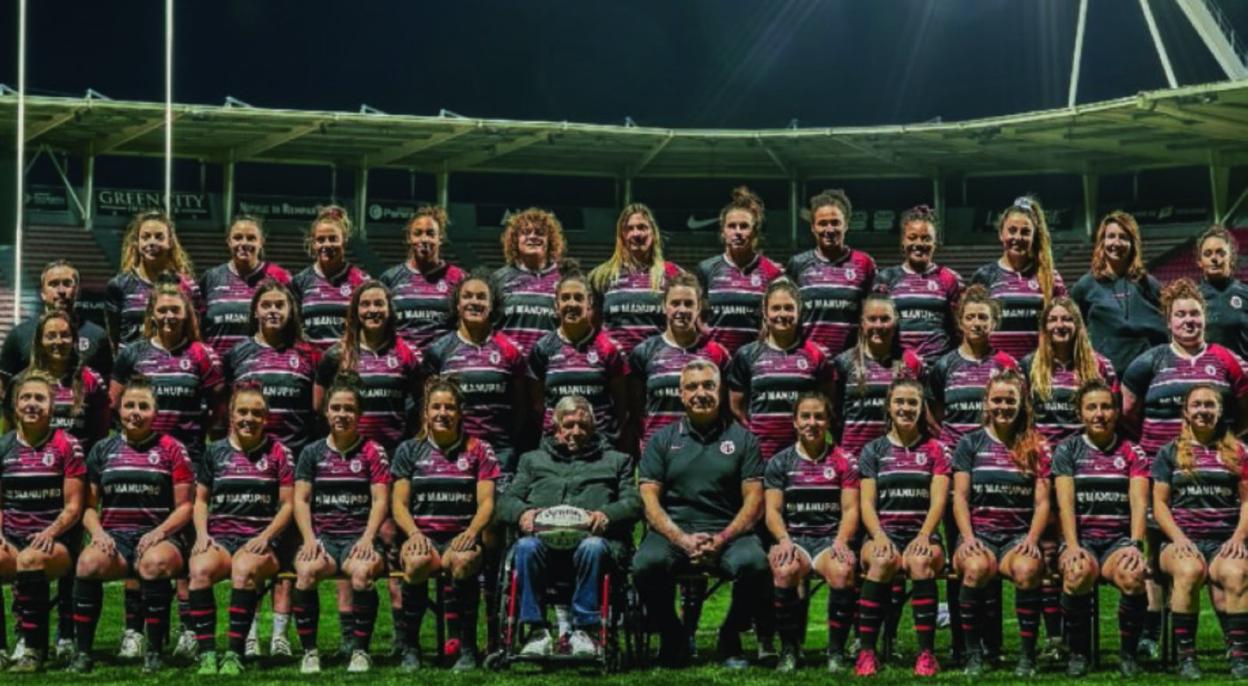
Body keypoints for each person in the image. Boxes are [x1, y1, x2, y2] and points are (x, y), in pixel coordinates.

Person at [633, 359, 768, 669]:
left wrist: (722, 538)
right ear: (681, 394)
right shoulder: (661, 440)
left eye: (708, 385)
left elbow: (754, 501)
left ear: (720, 391)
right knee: (645, 565)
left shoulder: (744, 439)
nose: (700, 393)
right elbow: (649, 501)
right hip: (674, 530)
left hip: (728, 531)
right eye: (692, 387)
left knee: (756, 565)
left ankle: (730, 635)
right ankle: (673, 635)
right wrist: (681, 539)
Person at [500, 395, 640, 659]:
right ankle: (536, 631)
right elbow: (505, 502)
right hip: (544, 547)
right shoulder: (532, 460)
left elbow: (633, 503)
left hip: (594, 547)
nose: (576, 431)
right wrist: (522, 513)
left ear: (594, 428)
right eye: (569, 425)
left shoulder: (617, 461)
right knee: (525, 546)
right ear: (556, 428)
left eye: (583, 425)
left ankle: (584, 630)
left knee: (592, 546)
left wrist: (607, 515)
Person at [70, 376, 194, 674]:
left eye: (143, 406)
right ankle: (82, 652)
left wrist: (159, 532)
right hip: (116, 538)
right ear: (119, 410)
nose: (135, 412)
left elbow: (185, 507)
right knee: (87, 563)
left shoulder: (172, 449)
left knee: (154, 563)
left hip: (160, 537)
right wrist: (98, 533)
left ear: (155, 412)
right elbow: (89, 507)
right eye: (129, 406)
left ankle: (154, 650)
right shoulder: (102, 449)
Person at [391, 376, 500, 671]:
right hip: (422, 535)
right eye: (436, 407)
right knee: (415, 563)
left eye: (449, 407)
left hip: (460, 536)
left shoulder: (479, 449)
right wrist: (413, 534)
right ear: (425, 413)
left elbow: (487, 503)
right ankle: (410, 647)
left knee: (464, 561)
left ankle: (467, 647)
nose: (442, 413)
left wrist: (472, 532)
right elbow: (398, 504)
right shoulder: (408, 450)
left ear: (460, 412)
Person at [185, 382, 294, 675]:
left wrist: (266, 537)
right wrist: (202, 534)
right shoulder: (214, 452)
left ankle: (234, 653)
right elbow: (201, 500)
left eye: (256, 413)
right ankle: (208, 654)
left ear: (266, 418)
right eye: (242, 412)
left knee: (244, 569)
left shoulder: (279, 452)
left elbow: (288, 505)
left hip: (260, 541)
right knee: (199, 570)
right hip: (220, 538)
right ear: (231, 415)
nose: (249, 418)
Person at [952, 369, 1052, 677]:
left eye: (1010, 400)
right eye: (997, 400)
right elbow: (960, 498)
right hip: (979, 534)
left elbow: (1042, 502)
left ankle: (1027, 656)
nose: (1003, 406)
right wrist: (968, 538)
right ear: (986, 402)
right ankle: (973, 653)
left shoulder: (1036, 445)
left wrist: (1031, 539)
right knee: (976, 568)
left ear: (1022, 403)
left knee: (1028, 569)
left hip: (1016, 537)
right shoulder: (970, 443)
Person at [291, 375, 390, 674]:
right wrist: (309, 539)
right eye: (336, 408)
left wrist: (368, 538)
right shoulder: (311, 452)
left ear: (359, 414)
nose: (342, 414)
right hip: (324, 538)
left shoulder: (373, 451)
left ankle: (360, 651)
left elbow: (380, 500)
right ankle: (310, 653)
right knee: (305, 572)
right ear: (326, 412)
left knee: (361, 574)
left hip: (358, 537)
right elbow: (301, 500)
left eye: (349, 409)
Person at [1051, 379, 1150, 677]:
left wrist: (1135, 544)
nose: (1099, 414)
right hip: (1081, 540)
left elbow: (1139, 503)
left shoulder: (1132, 451)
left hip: (1116, 542)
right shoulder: (1067, 450)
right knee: (1077, 572)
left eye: (1106, 407)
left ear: (1116, 412)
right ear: (1080, 413)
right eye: (1091, 407)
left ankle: (1128, 655)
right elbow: (1065, 505)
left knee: (1133, 576)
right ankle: (1078, 653)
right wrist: (1072, 546)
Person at [854, 378, 951, 677]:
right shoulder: (873, 450)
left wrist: (924, 535)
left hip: (922, 534)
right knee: (881, 560)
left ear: (922, 408)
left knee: (921, 562)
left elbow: (939, 500)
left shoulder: (936, 450)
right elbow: (866, 503)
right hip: (884, 533)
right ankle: (866, 652)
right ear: (888, 406)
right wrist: (878, 535)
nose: (906, 408)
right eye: (899, 402)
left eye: (912, 402)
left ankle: (926, 654)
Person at [1153, 384, 1248, 680]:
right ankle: (1187, 658)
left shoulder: (1239, 452)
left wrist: (1238, 538)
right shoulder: (1168, 452)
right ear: (1186, 411)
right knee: (1189, 571)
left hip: (1223, 541)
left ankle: (1239, 657)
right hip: (1180, 541)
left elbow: (1247, 501)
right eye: (1196, 405)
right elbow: (1159, 504)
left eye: (1209, 405)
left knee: (1237, 573)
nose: (1203, 410)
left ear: (1220, 411)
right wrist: (1179, 538)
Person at [764, 392, 859, 673]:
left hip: (829, 539)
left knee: (842, 571)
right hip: (796, 539)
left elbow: (851, 510)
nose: (812, 422)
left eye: (819, 417)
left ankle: (836, 652)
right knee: (784, 571)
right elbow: (772, 511)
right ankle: (789, 650)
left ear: (828, 422)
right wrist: (783, 540)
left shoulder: (844, 460)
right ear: (795, 421)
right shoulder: (780, 462)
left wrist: (841, 541)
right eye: (805, 416)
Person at [0, 370, 85, 672]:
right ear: (15, 406)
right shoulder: (4, 446)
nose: (32, 404)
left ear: (52, 407)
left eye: (39, 398)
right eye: (26, 398)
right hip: (12, 538)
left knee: (30, 560)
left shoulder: (67, 445)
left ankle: (33, 649)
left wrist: (51, 531)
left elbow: (74, 507)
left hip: (56, 541)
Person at [1123, 278, 1248, 459]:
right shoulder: (1149, 361)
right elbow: (1127, 412)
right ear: (1169, 321)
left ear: (1204, 318)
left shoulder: (1229, 359)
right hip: (1157, 464)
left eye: (1195, 314)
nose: (1188, 320)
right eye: (1180, 314)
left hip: (1214, 463)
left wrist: (1224, 438)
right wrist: (1157, 443)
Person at [423, 271, 531, 475]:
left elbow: (521, 408)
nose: (474, 302)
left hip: (500, 453)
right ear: (457, 304)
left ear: (491, 305)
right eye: (467, 296)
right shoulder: (439, 351)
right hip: (452, 452)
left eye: (481, 297)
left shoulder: (511, 350)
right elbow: (426, 406)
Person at [110, 282, 227, 464]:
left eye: (175, 310)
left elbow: (219, 406)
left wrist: (199, 432)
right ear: (152, 314)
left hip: (189, 455)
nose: (169, 316)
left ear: (186, 313)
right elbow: (113, 404)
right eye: (162, 310)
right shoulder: (132, 353)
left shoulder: (202, 354)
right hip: (141, 455)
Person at [727, 278, 833, 460]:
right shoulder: (746, 354)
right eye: (776, 308)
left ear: (799, 311)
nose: (782, 314)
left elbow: (828, 402)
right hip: (760, 453)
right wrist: (755, 434)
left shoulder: (817, 355)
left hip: (803, 454)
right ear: (765, 313)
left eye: (788, 308)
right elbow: (736, 408)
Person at [315, 281, 422, 455]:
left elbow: (422, 403)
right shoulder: (336, 354)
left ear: (389, 309)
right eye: (365, 304)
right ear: (356, 311)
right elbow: (319, 406)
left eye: (379, 303)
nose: (372, 310)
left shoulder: (408, 353)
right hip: (348, 452)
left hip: (394, 452)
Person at [630, 273, 731, 450]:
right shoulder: (644, 352)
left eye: (689, 304)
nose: (682, 310)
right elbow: (636, 406)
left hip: (704, 449)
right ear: (664, 306)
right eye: (675, 303)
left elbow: (726, 408)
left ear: (698, 307)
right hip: (658, 449)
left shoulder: (717, 353)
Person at [528, 269, 630, 446]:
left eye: (578, 298)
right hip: (555, 445)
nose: (572, 304)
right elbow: (537, 405)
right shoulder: (542, 348)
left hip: (599, 445)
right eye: (565, 298)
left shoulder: (609, 348)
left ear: (589, 303)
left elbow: (622, 405)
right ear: (556, 305)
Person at [224, 280, 320, 457]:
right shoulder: (236, 354)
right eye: (266, 305)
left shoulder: (310, 354)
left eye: (279, 305)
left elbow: (318, 411)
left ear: (290, 311)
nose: (273, 310)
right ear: (255, 311)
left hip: (296, 454)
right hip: (248, 456)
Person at [1069, 211, 1167, 376]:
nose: (1116, 242)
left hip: (1145, 375)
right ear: (1102, 242)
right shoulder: (1085, 286)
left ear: (1132, 243)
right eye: (1111, 236)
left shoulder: (1148, 284)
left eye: (1123, 237)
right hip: (1105, 376)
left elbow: (1166, 325)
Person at [830, 293, 924, 459]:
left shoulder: (910, 362)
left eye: (885, 319)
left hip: (895, 459)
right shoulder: (843, 362)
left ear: (896, 322)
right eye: (872, 319)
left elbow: (922, 417)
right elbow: (832, 417)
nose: (878, 325)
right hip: (853, 458)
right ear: (862, 322)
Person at [970, 196, 1065, 360]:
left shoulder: (1050, 276)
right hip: (996, 368)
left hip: (1038, 366)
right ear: (1001, 234)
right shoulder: (984, 276)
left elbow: (1064, 322)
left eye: (1025, 232)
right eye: (1012, 230)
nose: (1018, 238)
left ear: (1034, 236)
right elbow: (972, 328)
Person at [785, 188, 876, 357]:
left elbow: (874, 316)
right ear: (813, 227)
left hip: (849, 363)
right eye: (822, 223)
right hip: (807, 361)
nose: (829, 229)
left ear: (846, 225)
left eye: (835, 222)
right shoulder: (797, 264)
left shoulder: (864, 264)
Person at [926, 284, 1018, 448]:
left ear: (994, 323)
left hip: (993, 452)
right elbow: (934, 412)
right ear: (960, 322)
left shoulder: (1007, 364)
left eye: (983, 317)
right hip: (953, 452)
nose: (976, 323)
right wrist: (946, 443)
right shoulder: (944, 365)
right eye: (970, 317)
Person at [696, 186, 783, 355]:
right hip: (715, 359)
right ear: (723, 231)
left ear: (755, 232)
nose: (738, 232)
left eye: (744, 226)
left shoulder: (771, 272)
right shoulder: (706, 269)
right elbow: (698, 317)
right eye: (731, 226)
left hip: (755, 359)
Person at [589, 203, 683, 356]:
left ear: (653, 232)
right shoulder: (600, 276)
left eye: (642, 227)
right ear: (622, 235)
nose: (636, 234)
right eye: (629, 228)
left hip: (657, 363)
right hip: (614, 365)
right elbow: (591, 327)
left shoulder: (673, 274)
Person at [1022, 296, 1116, 446]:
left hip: (1082, 452)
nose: (1059, 325)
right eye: (1052, 320)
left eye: (1067, 319)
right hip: (1042, 453)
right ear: (1044, 327)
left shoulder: (1101, 365)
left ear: (1078, 324)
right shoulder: (1028, 365)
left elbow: (1113, 414)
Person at [872, 205, 963, 359]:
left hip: (938, 364)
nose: (919, 243)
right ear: (903, 241)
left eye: (926, 238)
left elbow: (959, 330)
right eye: (912, 237)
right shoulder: (886, 278)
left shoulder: (949, 278)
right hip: (898, 364)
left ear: (935, 243)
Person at [0, 260, 112, 385]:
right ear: (42, 293)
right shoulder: (20, 335)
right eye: (53, 284)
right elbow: (4, 385)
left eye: (67, 284)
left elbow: (106, 385)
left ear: (77, 291)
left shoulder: (98, 336)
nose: (61, 290)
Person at [104, 210, 202, 349]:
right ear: (137, 242)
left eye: (159, 237)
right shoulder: (119, 285)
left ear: (170, 242)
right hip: (133, 362)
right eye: (146, 237)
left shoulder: (187, 286)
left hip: (172, 361)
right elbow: (113, 338)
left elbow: (194, 333)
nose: (152, 242)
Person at [199, 214, 293, 359]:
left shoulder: (279, 276)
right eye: (238, 238)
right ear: (229, 241)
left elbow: (293, 324)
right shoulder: (211, 278)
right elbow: (197, 327)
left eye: (251, 238)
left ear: (261, 242)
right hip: (217, 366)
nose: (244, 243)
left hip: (261, 364)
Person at [380, 205, 467, 352]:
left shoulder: (459, 278)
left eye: (430, 233)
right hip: (402, 361)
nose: (424, 239)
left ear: (440, 238)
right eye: (418, 233)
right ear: (409, 238)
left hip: (443, 362)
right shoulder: (390, 279)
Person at [21, 309, 109, 454]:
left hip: (81, 463)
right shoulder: (24, 381)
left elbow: (101, 434)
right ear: (40, 341)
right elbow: (12, 435)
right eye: (51, 336)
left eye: (65, 335)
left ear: (74, 340)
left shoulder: (92, 379)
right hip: (35, 462)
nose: (58, 341)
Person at [290, 205, 370, 351]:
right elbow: (293, 329)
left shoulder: (361, 281)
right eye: (321, 240)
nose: (326, 244)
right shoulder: (299, 282)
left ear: (344, 240)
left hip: (348, 360)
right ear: (313, 243)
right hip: (310, 361)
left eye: (333, 239)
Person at [492, 208, 567, 355]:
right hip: (508, 364)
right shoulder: (498, 280)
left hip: (551, 363)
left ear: (550, 240)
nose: (533, 237)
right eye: (526, 233)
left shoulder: (564, 279)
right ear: (515, 240)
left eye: (540, 233)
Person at [1197, 225, 1248, 362]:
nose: (1214, 258)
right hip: (1204, 373)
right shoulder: (1192, 298)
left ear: (1231, 258)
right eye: (1207, 254)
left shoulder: (1245, 293)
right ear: (1200, 262)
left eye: (1221, 253)